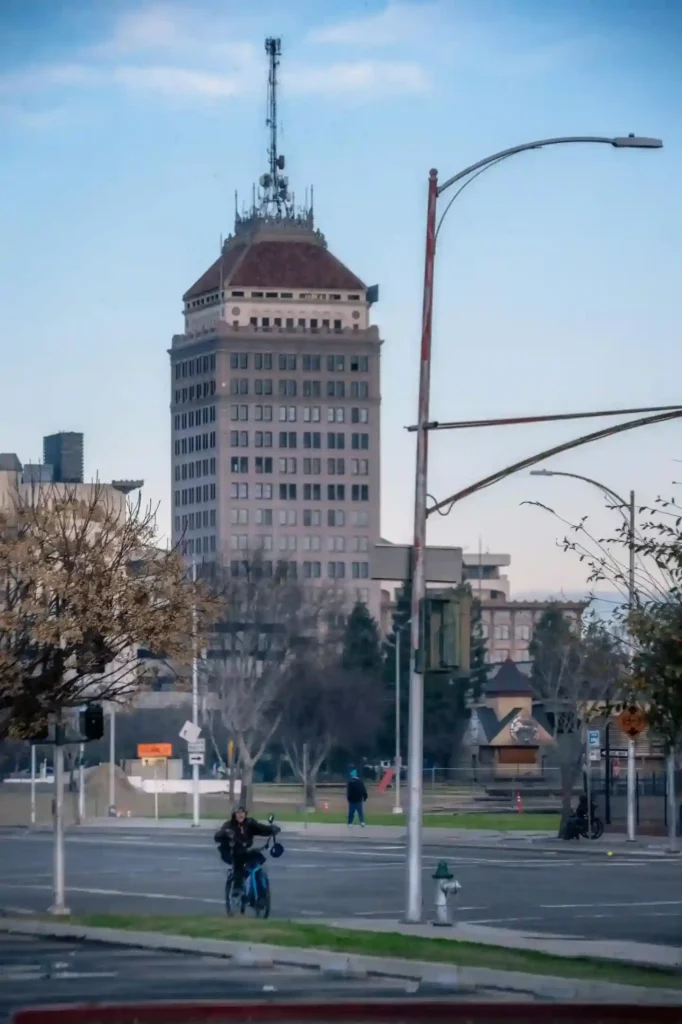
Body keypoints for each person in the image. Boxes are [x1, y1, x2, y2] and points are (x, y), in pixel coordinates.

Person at [214, 805, 280, 894]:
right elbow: (217, 837)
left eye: (243, 813)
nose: (241, 815)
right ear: (234, 815)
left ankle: (260, 890)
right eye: (238, 813)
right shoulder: (229, 825)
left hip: (243, 851)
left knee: (257, 857)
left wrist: (272, 829)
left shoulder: (249, 823)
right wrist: (225, 833)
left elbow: (260, 829)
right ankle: (236, 888)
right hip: (230, 852)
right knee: (238, 861)